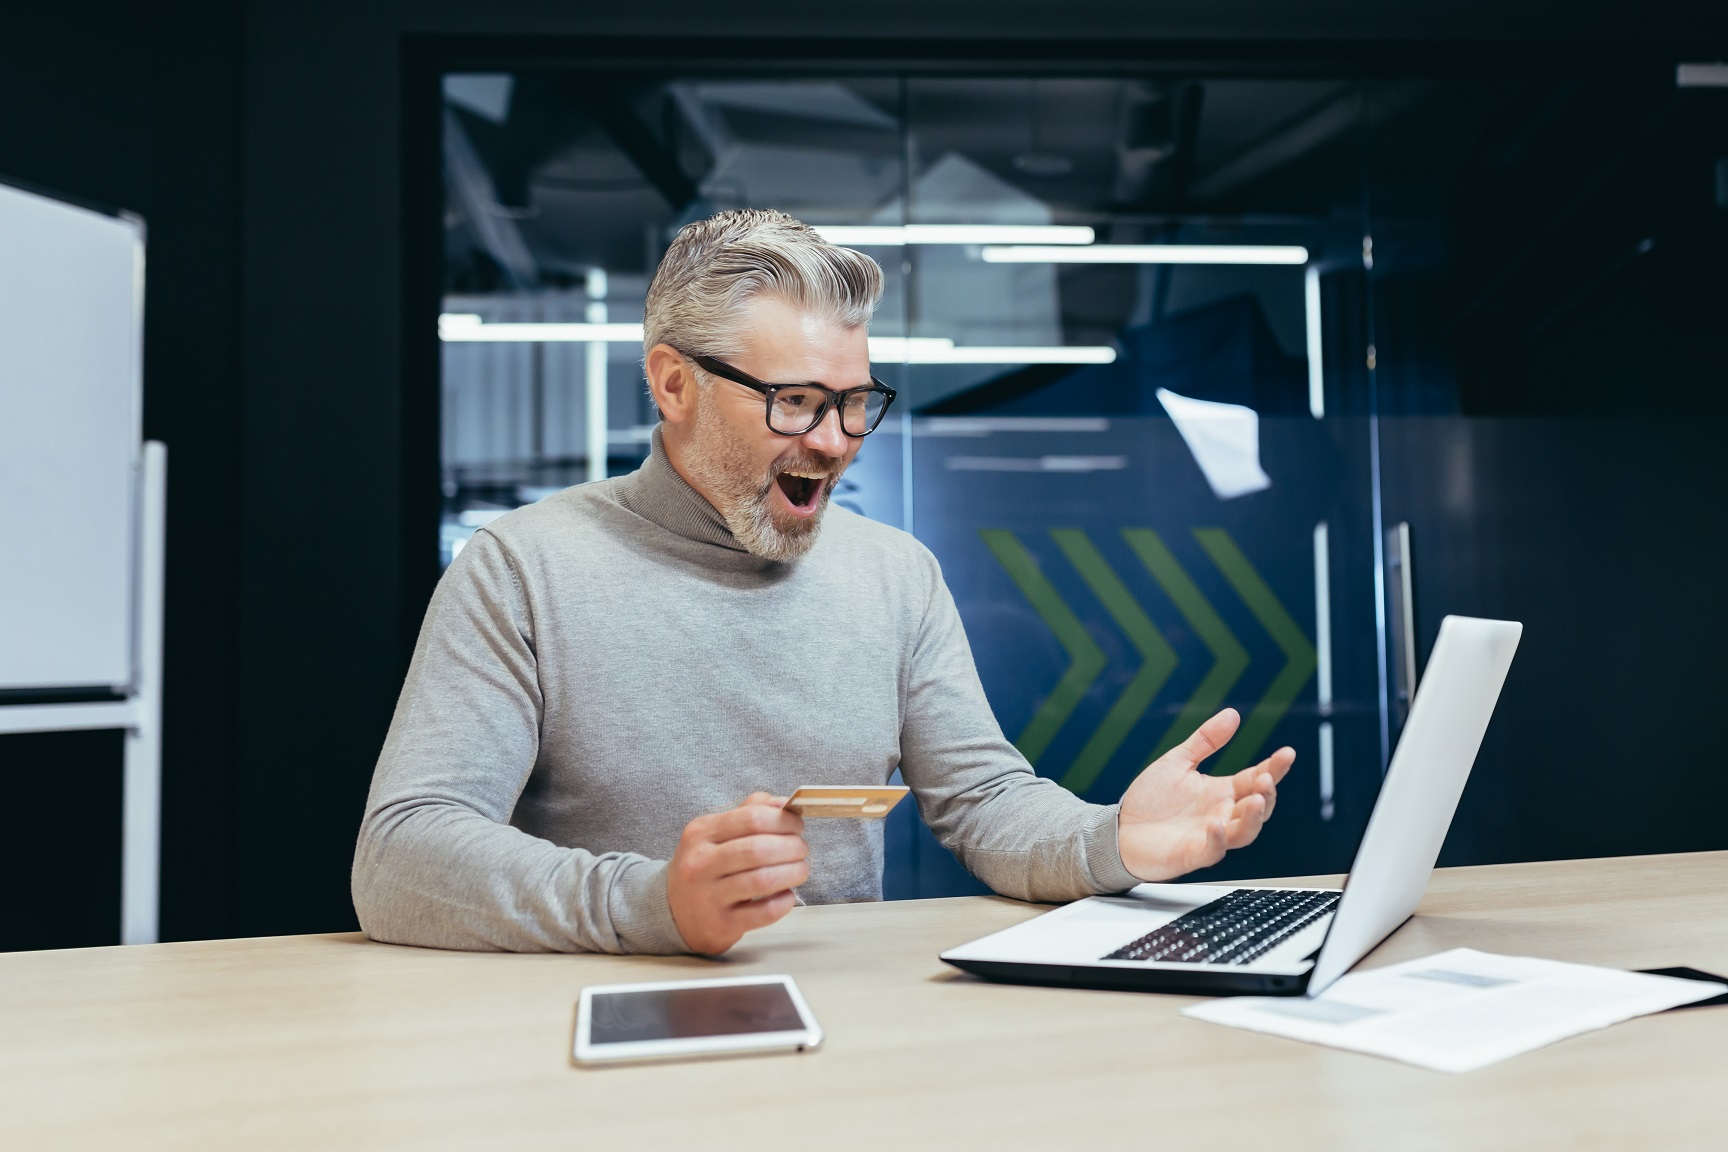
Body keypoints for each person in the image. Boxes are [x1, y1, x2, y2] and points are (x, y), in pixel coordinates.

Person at [352, 209, 1292, 955]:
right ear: (673, 385)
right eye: (795, 401)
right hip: (600, 1035)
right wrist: (653, 904)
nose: (836, 440)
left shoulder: (896, 574)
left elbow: (984, 802)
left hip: (841, 1033)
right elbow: (402, 854)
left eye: (854, 403)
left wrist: (1113, 840)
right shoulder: (519, 569)